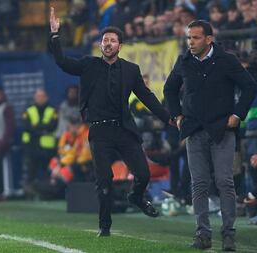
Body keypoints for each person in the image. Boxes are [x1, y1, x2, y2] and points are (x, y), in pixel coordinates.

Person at [49, 7, 171, 237]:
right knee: (104, 180)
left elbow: (146, 97)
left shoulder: (131, 70)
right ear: (100, 45)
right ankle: (104, 226)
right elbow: (63, 62)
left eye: (113, 40)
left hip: (124, 129)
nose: (108, 43)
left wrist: (167, 118)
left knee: (143, 175)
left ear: (120, 46)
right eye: (105, 40)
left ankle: (136, 196)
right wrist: (55, 36)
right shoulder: (88, 65)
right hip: (99, 131)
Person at [163, 20, 257, 251]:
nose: (190, 42)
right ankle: (202, 233)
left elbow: (250, 86)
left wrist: (238, 114)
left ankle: (228, 233)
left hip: (221, 129)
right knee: (199, 184)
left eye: (195, 38)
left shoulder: (227, 60)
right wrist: (176, 115)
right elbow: (169, 89)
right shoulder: (184, 61)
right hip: (194, 129)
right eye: (188, 38)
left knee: (224, 181)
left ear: (209, 39)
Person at [22, 88, 58, 196]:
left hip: (47, 148)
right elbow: (26, 126)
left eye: (42, 96)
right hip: (31, 146)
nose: (40, 98)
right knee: (31, 171)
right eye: (38, 96)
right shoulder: (28, 110)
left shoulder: (52, 110)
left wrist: (36, 127)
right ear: (34, 97)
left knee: (47, 171)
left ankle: (47, 193)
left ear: (46, 97)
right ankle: (30, 194)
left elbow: (52, 126)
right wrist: (43, 129)